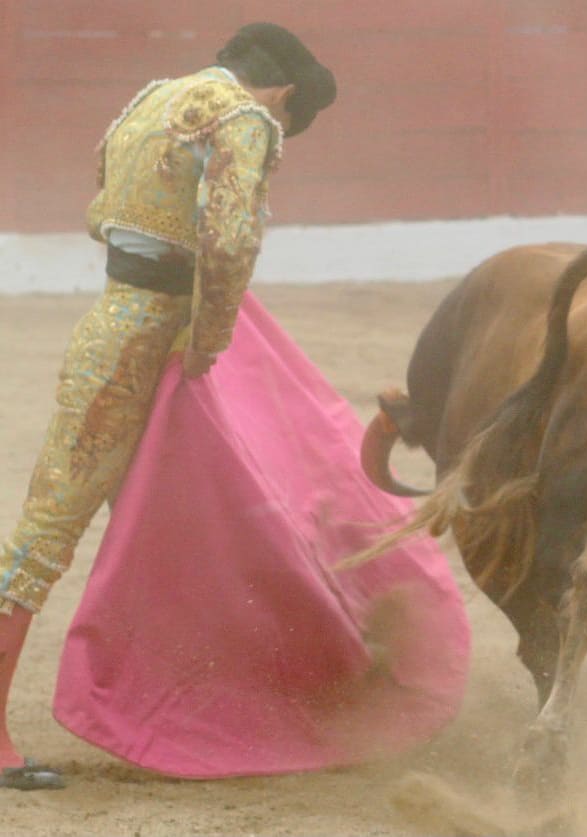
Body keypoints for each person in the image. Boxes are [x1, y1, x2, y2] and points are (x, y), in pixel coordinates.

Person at [0, 23, 469, 790]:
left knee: (73, 525)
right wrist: (211, 340)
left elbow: (100, 203)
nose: (276, 131)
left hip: (108, 328)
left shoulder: (150, 98)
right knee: (123, 528)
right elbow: (227, 243)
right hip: (157, 345)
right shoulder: (244, 117)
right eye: (286, 119)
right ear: (283, 92)